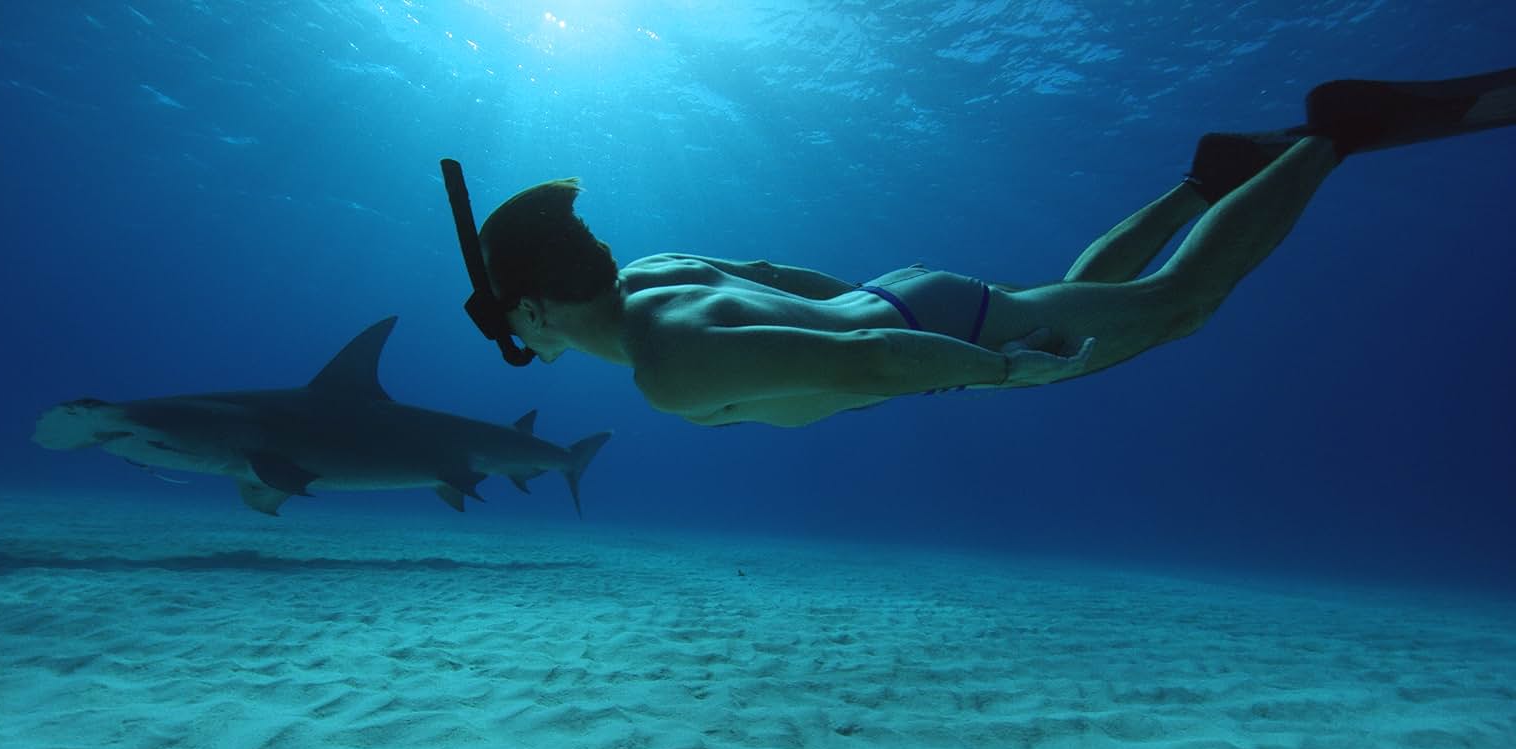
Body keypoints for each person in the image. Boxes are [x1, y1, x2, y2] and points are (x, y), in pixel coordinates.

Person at [442, 68, 1515, 428]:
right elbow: (779, 279)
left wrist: (998, 372)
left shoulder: (665, 368)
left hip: (922, 333)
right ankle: (1208, 176)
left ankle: (1335, 135)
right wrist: (884, 301)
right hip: (904, 298)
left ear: (531, 307)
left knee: (1177, 304)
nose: (517, 339)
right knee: (1068, 294)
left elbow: (866, 366)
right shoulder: (655, 271)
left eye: (508, 319)